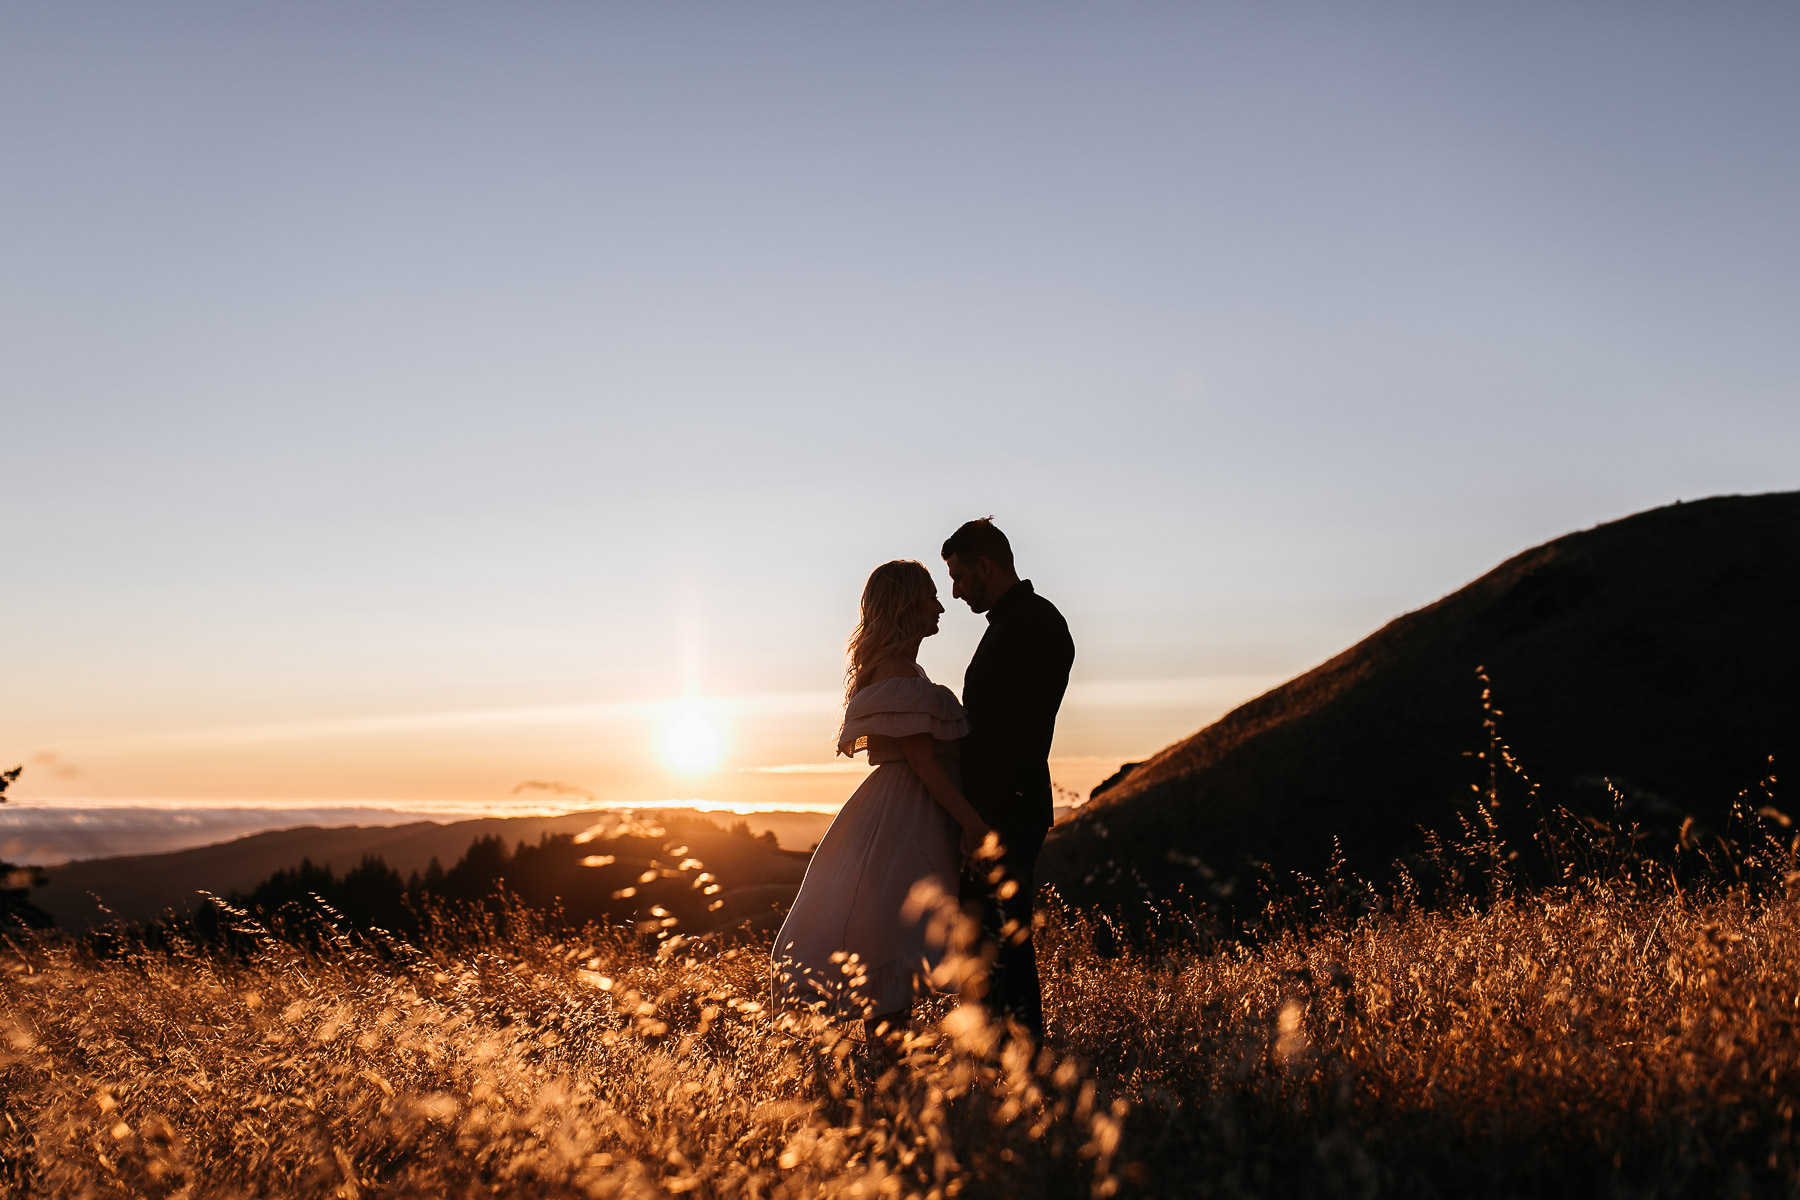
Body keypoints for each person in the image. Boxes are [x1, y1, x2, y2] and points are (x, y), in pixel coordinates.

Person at [771, 560, 994, 1041]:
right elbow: (922, 762)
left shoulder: (907, 669)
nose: (940, 606)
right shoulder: (896, 672)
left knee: (895, 934)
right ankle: (888, 1072)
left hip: (909, 809)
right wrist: (972, 824)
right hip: (908, 813)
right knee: (892, 933)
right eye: (930, 596)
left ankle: (889, 1074)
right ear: (906, 605)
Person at [942, 517, 1075, 1042]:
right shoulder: (1018, 622)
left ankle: (1020, 1064)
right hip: (1004, 807)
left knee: (1002, 944)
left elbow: (1012, 736)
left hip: (1005, 810)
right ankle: (1005, 1062)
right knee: (991, 942)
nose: (954, 592)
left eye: (958, 576)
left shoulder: (1032, 625)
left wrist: (978, 821)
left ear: (984, 566)